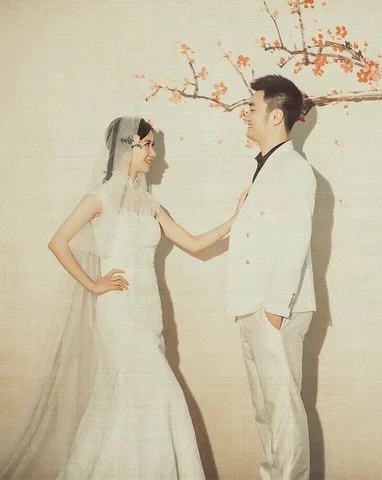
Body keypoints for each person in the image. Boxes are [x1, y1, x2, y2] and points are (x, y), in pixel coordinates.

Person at [0, 116, 247, 480]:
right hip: (118, 312)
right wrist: (93, 284)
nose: (153, 153)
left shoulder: (150, 203)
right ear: (126, 147)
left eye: (152, 145)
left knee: (132, 402)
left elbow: (194, 244)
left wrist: (234, 220)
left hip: (149, 312)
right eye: (146, 145)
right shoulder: (99, 198)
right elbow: (58, 242)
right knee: (160, 391)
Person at [226, 75, 317, 480]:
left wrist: (276, 310)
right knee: (265, 414)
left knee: (284, 415)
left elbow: (294, 241)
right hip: (252, 306)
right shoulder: (265, 168)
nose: (245, 113)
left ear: (276, 115)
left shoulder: (294, 169)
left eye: (252, 106)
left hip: (275, 310)